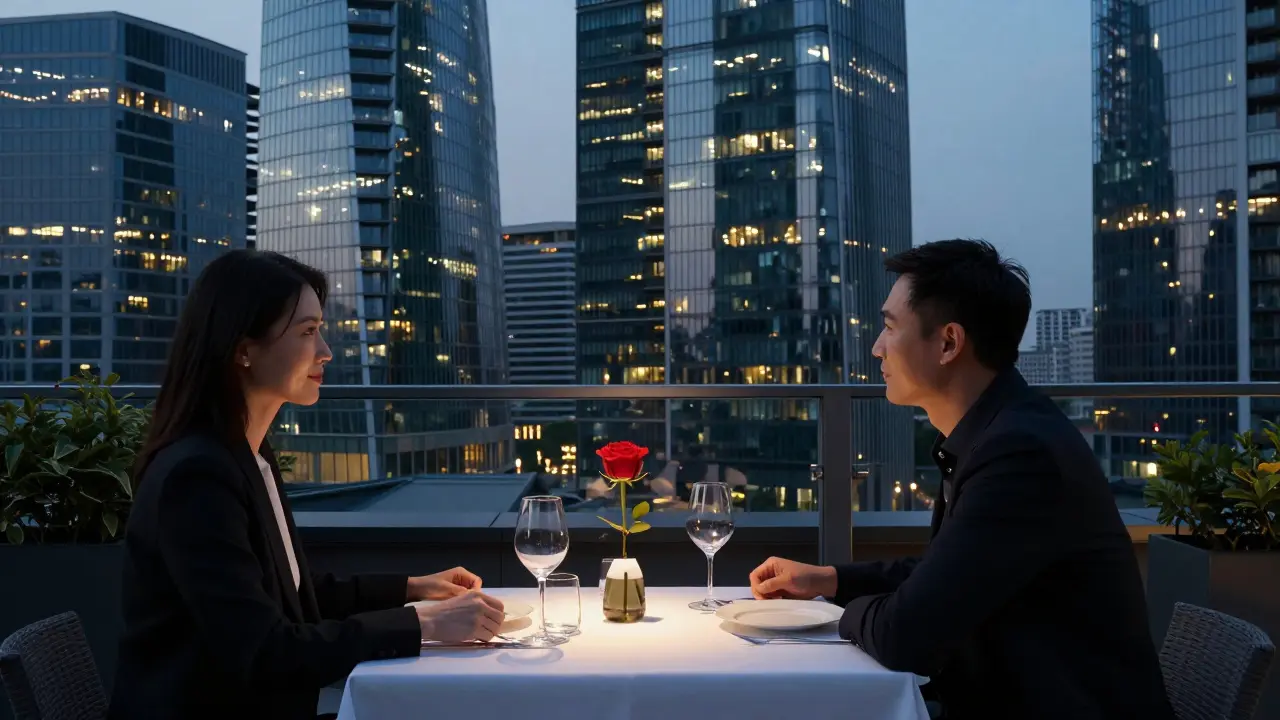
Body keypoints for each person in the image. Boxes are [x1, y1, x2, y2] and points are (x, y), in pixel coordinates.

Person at [748, 240, 1174, 719]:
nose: (876, 347)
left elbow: (905, 636)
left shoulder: (1019, 454)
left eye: (889, 327)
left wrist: (831, 616)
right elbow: (949, 572)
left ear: (949, 342)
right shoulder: (1002, 432)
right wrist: (828, 580)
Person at [110, 251, 507, 720]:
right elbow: (265, 650)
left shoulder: (248, 457)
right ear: (243, 349)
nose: (325, 352)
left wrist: (413, 588)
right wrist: (421, 623)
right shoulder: (196, 477)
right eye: (307, 332)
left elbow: (291, 596)